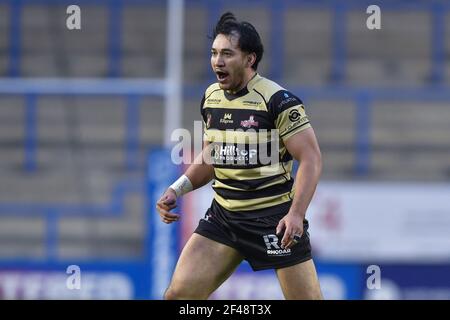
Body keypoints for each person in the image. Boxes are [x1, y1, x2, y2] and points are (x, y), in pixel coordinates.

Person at [156, 12, 323, 300]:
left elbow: (311, 159)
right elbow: (211, 156)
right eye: (214, 53)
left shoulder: (279, 101)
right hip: (225, 218)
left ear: (250, 59)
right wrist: (177, 188)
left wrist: (296, 214)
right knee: (178, 296)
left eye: (227, 54)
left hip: (274, 220)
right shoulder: (211, 97)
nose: (217, 61)